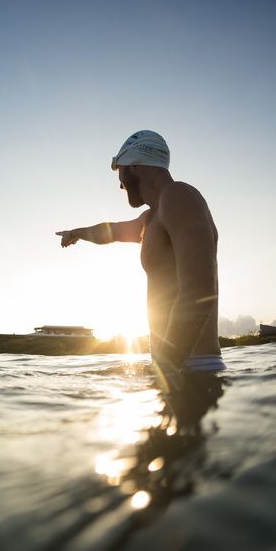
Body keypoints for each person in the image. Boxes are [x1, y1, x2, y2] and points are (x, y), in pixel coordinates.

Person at [56, 130, 225, 380]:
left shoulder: (179, 197)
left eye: (120, 171)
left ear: (134, 165)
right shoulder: (152, 218)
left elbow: (199, 292)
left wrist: (166, 369)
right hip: (174, 367)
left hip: (193, 369)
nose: (120, 184)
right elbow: (111, 231)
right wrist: (76, 232)